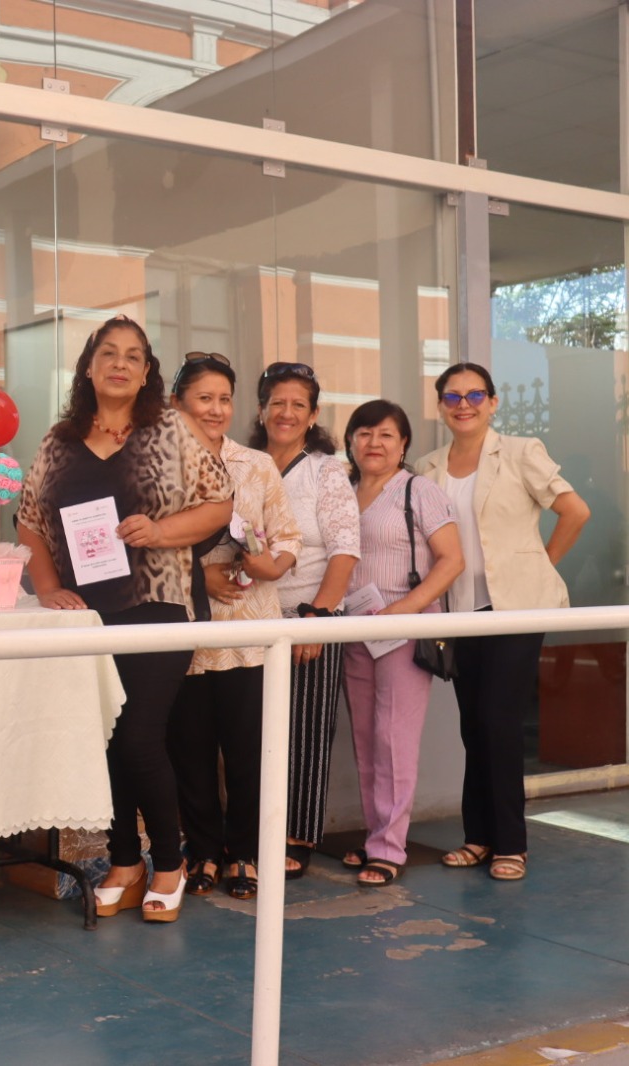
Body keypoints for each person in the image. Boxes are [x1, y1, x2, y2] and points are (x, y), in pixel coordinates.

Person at [18, 315, 233, 924]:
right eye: (107, 353)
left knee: (139, 736)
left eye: (133, 356)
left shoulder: (174, 429)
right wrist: (50, 586)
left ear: (145, 374)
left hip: (161, 608)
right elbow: (29, 521)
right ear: (89, 366)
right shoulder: (58, 441)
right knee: (108, 740)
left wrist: (161, 530)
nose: (119, 363)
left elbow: (221, 504)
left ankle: (169, 861)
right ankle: (124, 861)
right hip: (89, 616)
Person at [419, 362, 589, 882]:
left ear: (492, 402)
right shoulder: (427, 467)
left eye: (474, 395)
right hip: (459, 612)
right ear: (441, 405)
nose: (463, 404)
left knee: (499, 721)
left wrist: (538, 565)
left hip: (513, 609)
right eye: (452, 397)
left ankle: (511, 843)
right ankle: (478, 837)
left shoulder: (519, 452)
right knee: (474, 727)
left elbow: (574, 511)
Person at [166, 354, 300, 901]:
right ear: (178, 404)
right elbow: (141, 542)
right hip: (185, 629)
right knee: (190, 752)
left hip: (249, 629)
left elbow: (288, 536)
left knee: (248, 750)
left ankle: (244, 853)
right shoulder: (156, 465)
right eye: (204, 398)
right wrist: (203, 571)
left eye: (224, 399)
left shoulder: (257, 465)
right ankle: (202, 854)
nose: (216, 409)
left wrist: (263, 562)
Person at [340, 400, 463, 887]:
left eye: (386, 435)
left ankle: (390, 848)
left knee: (395, 739)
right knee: (367, 740)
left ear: (404, 443)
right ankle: (377, 836)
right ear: (350, 441)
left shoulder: (419, 491)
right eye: (364, 433)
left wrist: (404, 609)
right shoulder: (342, 493)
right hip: (352, 629)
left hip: (404, 627)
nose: (374, 443)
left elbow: (451, 561)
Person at [249, 363, 360, 879]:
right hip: (250, 617)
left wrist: (317, 617)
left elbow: (344, 549)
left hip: (310, 615)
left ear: (312, 415)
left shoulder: (326, 471)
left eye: (298, 404)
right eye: (277, 402)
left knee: (307, 732)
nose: (286, 412)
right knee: (254, 733)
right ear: (262, 409)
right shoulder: (243, 465)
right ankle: (255, 832)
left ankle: (296, 835)